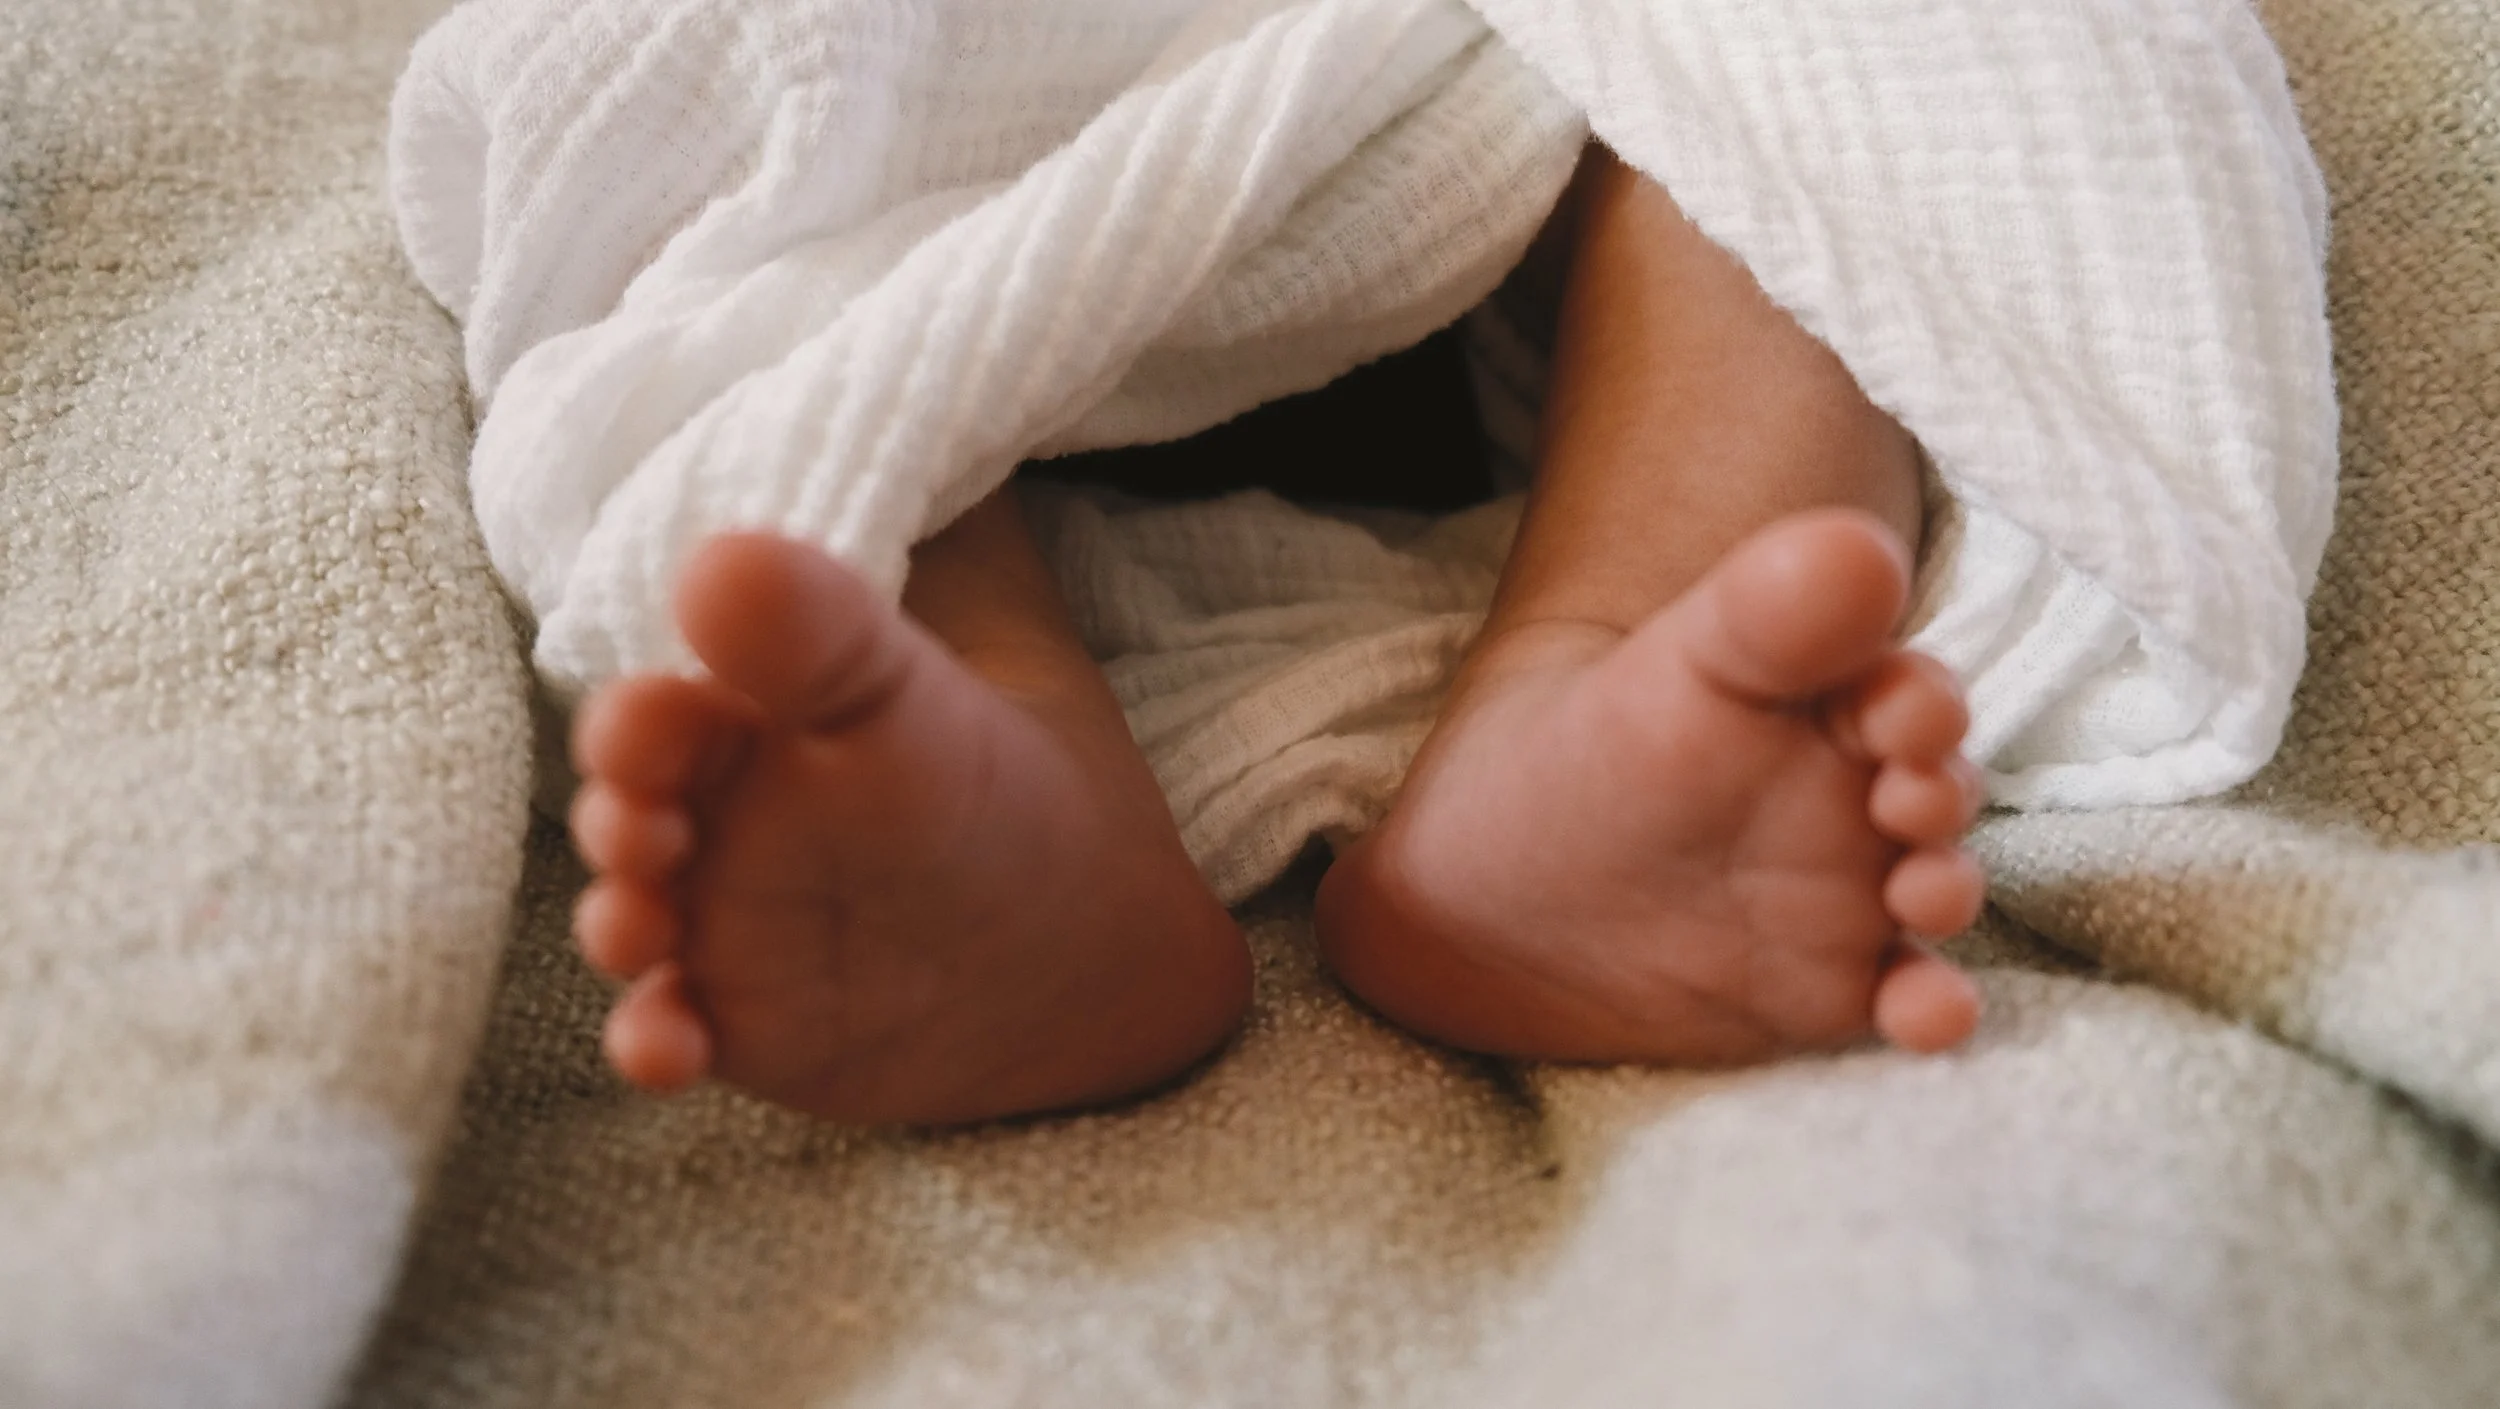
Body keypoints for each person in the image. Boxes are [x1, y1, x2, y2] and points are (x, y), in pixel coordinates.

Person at [563, 145, 1988, 1126]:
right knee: (787, 125)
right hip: (1042, 151)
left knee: (1813, 93)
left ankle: (1593, 714)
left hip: (1549, 127)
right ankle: (997, 774)